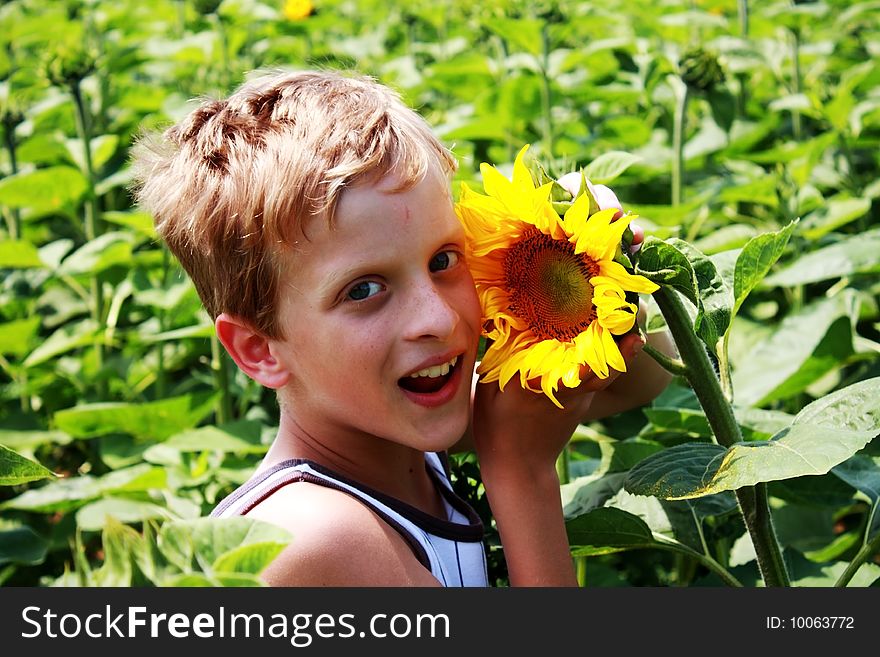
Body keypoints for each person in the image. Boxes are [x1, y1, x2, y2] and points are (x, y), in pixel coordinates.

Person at [131, 69, 674, 587]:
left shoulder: (393, 440)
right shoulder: (318, 537)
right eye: (364, 290)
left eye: (443, 260)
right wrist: (521, 469)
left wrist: (604, 280)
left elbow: (648, 376)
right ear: (259, 350)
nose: (436, 318)